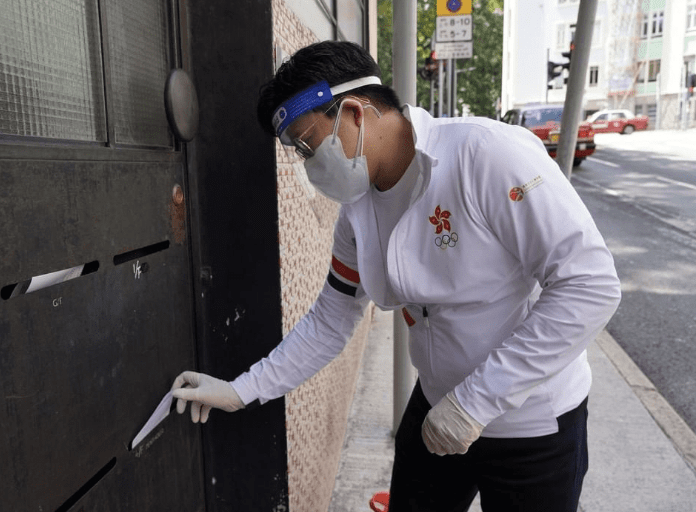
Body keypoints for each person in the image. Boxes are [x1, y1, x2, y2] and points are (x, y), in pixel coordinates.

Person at [171, 40, 621, 512]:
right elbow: (331, 320)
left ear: (355, 112)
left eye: (308, 145)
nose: (308, 167)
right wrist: (242, 390)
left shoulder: (485, 156)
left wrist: (475, 402)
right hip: (435, 407)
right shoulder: (357, 215)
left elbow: (589, 284)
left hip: (531, 426)